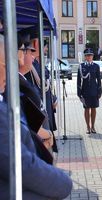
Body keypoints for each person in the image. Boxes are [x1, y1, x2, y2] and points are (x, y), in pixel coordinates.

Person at [0, 33, 73, 200]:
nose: (31, 56)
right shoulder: (12, 87)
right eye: (28, 51)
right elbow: (20, 165)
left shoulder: (24, 78)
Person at [77, 48, 102, 134]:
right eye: (87, 55)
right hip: (85, 91)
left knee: (94, 109)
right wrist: (79, 93)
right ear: (85, 57)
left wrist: (100, 91)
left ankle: (93, 126)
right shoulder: (81, 66)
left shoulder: (96, 66)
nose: (89, 57)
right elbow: (78, 81)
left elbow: (99, 80)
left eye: (90, 55)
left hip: (94, 91)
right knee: (86, 109)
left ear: (93, 56)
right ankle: (88, 127)